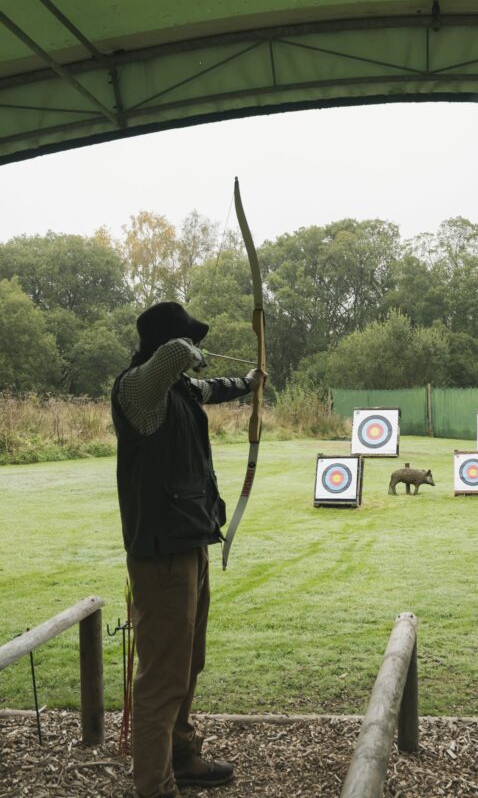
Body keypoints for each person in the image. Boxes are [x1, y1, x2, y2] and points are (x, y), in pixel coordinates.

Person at [111, 301, 262, 798]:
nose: (194, 347)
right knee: (162, 677)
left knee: (187, 662)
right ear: (164, 343)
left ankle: (180, 754)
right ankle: (155, 787)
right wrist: (190, 349)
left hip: (189, 541)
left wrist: (249, 381)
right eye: (187, 338)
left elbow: (211, 388)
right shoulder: (137, 390)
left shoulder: (176, 392)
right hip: (161, 553)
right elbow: (177, 354)